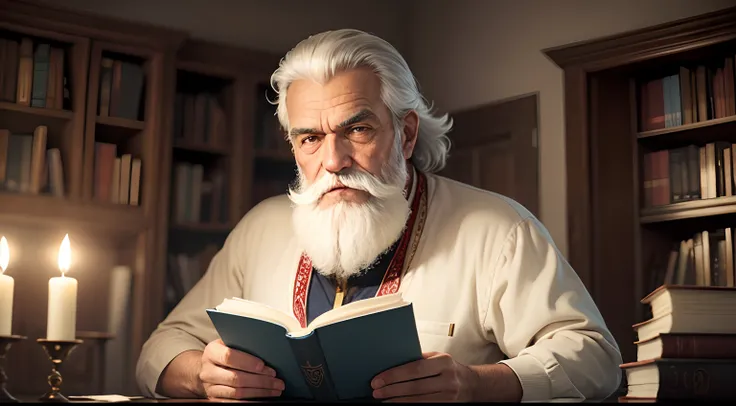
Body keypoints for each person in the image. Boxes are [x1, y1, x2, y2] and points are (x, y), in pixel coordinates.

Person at [136, 28, 622, 402]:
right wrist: (202, 373)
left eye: (359, 129)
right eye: (310, 138)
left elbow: (595, 358)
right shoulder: (261, 227)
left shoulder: (499, 230)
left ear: (406, 133)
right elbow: (161, 349)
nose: (333, 160)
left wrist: (478, 385)